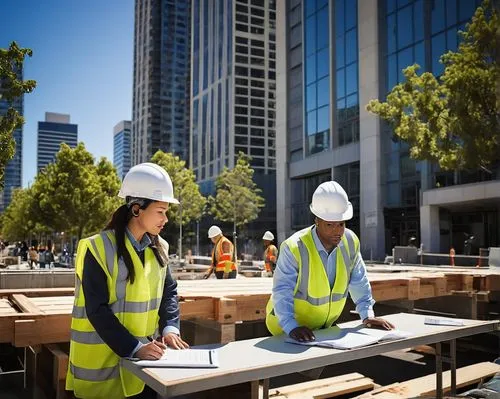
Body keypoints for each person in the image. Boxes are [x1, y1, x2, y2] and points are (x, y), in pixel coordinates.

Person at [66, 163, 189, 399]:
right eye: (160, 211)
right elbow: (97, 309)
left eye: (167, 212)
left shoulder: (160, 247)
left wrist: (170, 328)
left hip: (143, 371)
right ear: (136, 209)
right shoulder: (98, 248)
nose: (166, 219)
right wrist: (135, 348)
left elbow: (169, 291)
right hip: (102, 373)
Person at [266, 181, 395, 342]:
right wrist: (291, 326)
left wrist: (367, 315)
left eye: (341, 224)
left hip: (322, 330)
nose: (337, 231)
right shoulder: (294, 247)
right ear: (316, 221)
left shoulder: (350, 241)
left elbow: (359, 281)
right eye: (329, 225)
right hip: (287, 330)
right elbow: (282, 289)